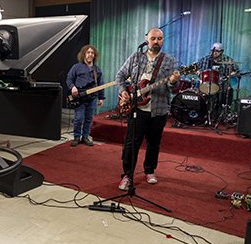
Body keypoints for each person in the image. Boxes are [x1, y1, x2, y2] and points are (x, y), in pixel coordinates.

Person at [116, 28, 180, 189]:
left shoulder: (170, 61)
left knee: (154, 143)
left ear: (163, 40)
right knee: (131, 143)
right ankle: (127, 175)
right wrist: (124, 92)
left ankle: (149, 170)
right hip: (136, 108)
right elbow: (120, 76)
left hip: (159, 109)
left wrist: (173, 81)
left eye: (159, 39)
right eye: (153, 38)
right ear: (146, 40)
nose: (156, 41)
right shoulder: (136, 57)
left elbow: (174, 89)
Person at [66, 45, 105, 146]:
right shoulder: (76, 67)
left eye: (92, 53)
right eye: (88, 52)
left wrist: (101, 97)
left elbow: (101, 85)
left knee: (89, 118)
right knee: (79, 118)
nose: (90, 54)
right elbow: (69, 79)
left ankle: (85, 137)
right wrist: (72, 87)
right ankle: (76, 137)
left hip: (92, 98)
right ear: (84, 54)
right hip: (79, 98)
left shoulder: (98, 70)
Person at [197, 42, 239, 110]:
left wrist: (230, 75)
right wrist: (198, 72)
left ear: (221, 51)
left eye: (217, 51)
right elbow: (197, 68)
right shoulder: (205, 59)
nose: (214, 53)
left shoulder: (227, 60)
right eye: (213, 51)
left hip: (222, 85)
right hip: (207, 85)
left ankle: (223, 111)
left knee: (228, 90)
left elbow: (237, 71)